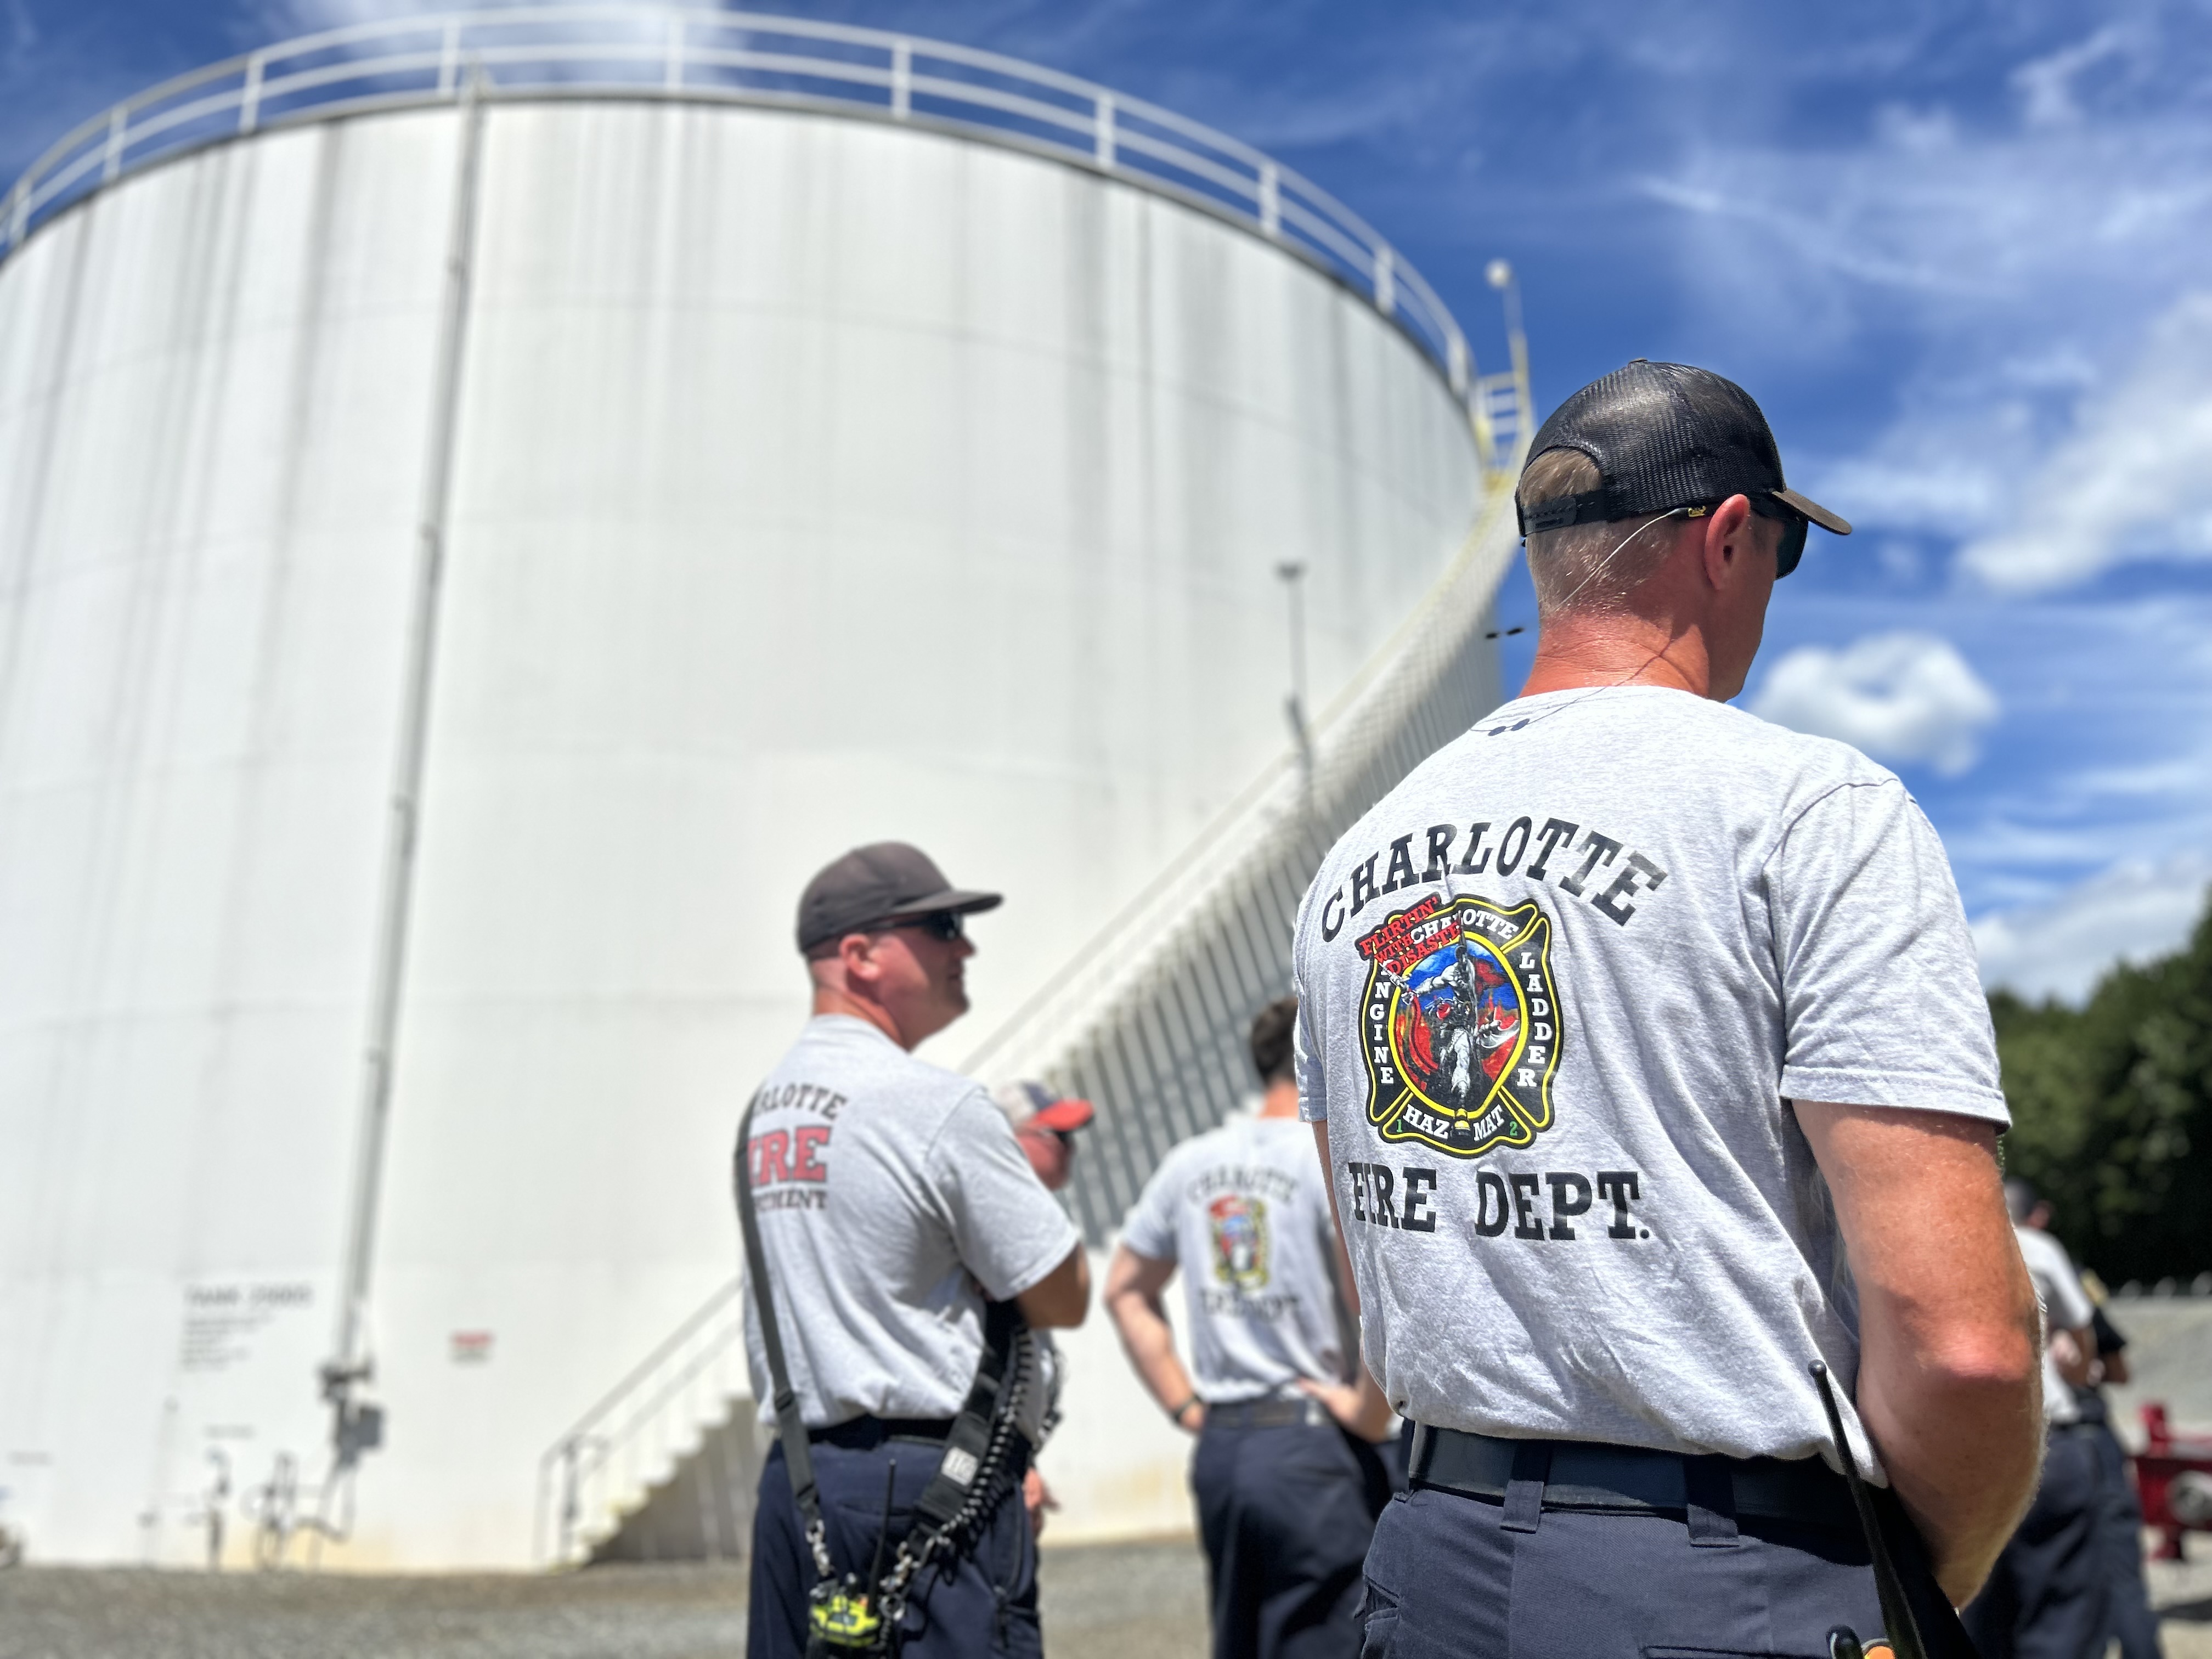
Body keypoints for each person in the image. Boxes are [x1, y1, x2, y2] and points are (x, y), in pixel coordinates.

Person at [1290, 360, 2046, 1657]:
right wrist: (1928, 1580)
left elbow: (1387, 1260)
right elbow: (1962, 1344)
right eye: (1784, 553)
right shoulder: (1811, 814)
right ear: (1729, 537)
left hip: (1430, 1565)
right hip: (1732, 1579)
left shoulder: (1350, 870)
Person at [739, 842, 1090, 1659]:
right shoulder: (934, 1104)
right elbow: (1063, 1294)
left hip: (799, 1482)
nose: (965, 948)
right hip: (930, 1484)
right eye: (941, 928)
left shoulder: (767, 1109)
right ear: (860, 955)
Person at [1105, 996, 1395, 1659]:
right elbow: (1372, 1304)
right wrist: (1368, 1412)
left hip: (1226, 1448)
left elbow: (1125, 1289)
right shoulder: (1324, 1157)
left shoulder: (1191, 1163)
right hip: (1316, 1448)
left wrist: (1185, 1407)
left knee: (1240, 1638)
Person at [1963, 1181, 2116, 1659]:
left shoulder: (1915, 1242)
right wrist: (2077, 1371)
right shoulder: (2035, 1247)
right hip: (2045, 1442)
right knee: (2063, 1616)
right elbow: (2082, 1330)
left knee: (1979, 1619)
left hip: (1962, 1454)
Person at [990, 1077, 1099, 1541]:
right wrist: (1006, 1460)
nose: (1071, 1149)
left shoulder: (1020, 1215)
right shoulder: (989, 1222)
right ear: (1010, 1139)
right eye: (1059, 1136)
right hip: (986, 1459)